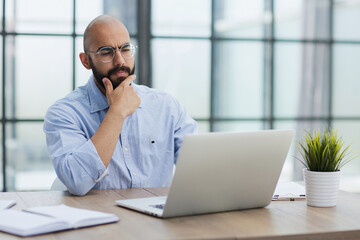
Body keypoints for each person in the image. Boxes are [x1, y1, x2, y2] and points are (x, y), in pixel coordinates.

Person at [43, 15, 197, 196]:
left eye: (125, 49)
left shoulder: (167, 107)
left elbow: (201, 170)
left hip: (155, 220)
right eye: (106, 52)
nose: (120, 61)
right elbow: (77, 181)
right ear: (86, 61)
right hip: (97, 219)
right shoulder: (64, 113)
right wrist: (116, 113)